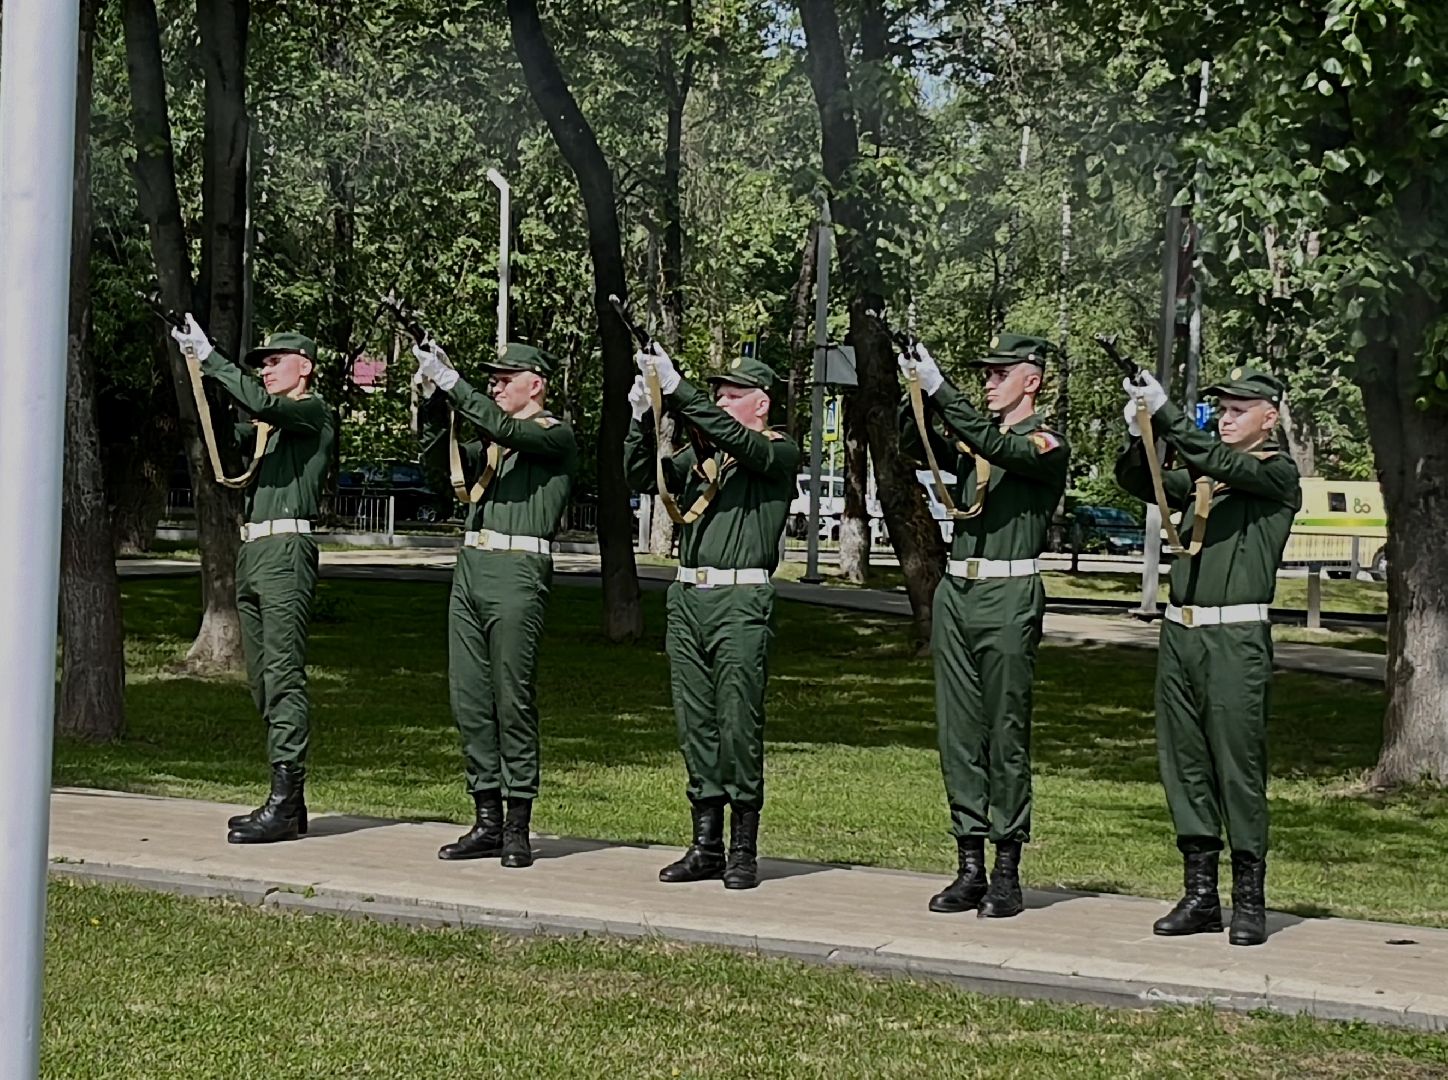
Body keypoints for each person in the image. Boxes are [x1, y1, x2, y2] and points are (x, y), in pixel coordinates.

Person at [1114, 365, 1300, 947]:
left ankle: (1249, 898)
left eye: (1238, 409)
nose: (1225, 417)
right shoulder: (1209, 477)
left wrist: (1169, 413)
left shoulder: (1275, 474)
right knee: (1185, 763)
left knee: (1236, 767)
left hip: (1235, 639)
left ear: (1268, 418)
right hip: (1182, 634)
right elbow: (1138, 481)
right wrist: (1140, 429)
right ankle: (1200, 894)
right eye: (1220, 408)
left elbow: (1225, 465)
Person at [899, 333, 1070, 918]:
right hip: (959, 592)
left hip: (1008, 593)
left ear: (1033, 380)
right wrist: (916, 391)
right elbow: (911, 443)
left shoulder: (1045, 443)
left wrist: (945, 391)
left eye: (1001, 373)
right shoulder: (979, 444)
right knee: (959, 732)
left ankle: (1006, 869)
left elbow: (1000, 447)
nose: (990, 381)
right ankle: (969, 864)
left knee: (1004, 731)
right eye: (985, 374)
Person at [623, 348, 799, 890]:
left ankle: (743, 846)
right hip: (689, 599)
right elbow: (639, 475)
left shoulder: (776, 450)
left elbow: (741, 442)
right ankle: (705, 844)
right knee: (694, 723)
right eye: (716, 394)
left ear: (761, 404)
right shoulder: (712, 458)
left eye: (731, 394)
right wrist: (641, 416)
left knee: (738, 723)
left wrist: (682, 393)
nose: (721, 401)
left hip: (740, 604)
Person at [170, 317, 336, 844]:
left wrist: (214, 357)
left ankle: (286, 800)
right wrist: (196, 367)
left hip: (287, 550)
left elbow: (263, 408)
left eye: (274, 361)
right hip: (256, 550)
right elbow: (226, 432)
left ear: (304, 367)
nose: (264, 369)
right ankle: (288, 801)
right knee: (263, 679)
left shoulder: (310, 411)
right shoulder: (272, 426)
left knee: (283, 674)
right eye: (261, 363)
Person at [412, 341, 577, 869]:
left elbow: (509, 431)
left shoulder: (552, 433)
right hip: (472, 570)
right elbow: (442, 474)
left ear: (538, 383)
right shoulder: (495, 443)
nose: (497, 385)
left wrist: (455, 382)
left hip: (516, 573)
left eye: (507, 378)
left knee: (512, 697)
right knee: (470, 698)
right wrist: (436, 403)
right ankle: (485, 818)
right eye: (493, 379)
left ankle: (517, 825)